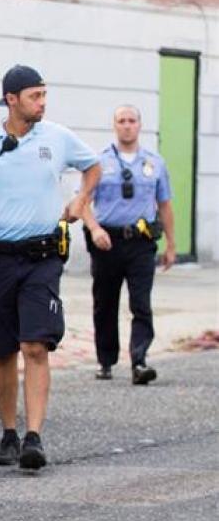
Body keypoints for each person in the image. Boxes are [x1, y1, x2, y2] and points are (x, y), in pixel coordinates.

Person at [0, 65, 108, 470]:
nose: (42, 103)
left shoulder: (57, 138)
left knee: (35, 345)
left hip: (42, 258)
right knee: (2, 349)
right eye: (35, 96)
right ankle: (8, 434)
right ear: (11, 100)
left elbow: (93, 166)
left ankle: (34, 437)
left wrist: (81, 199)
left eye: (44, 95)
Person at [88, 105, 176, 384]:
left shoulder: (155, 163)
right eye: (121, 121)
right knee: (105, 303)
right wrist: (94, 229)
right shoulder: (99, 162)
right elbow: (82, 203)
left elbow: (164, 205)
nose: (127, 125)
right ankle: (106, 361)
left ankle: (139, 361)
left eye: (132, 121)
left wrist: (171, 245)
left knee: (141, 302)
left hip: (141, 242)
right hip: (107, 242)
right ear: (114, 125)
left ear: (140, 125)